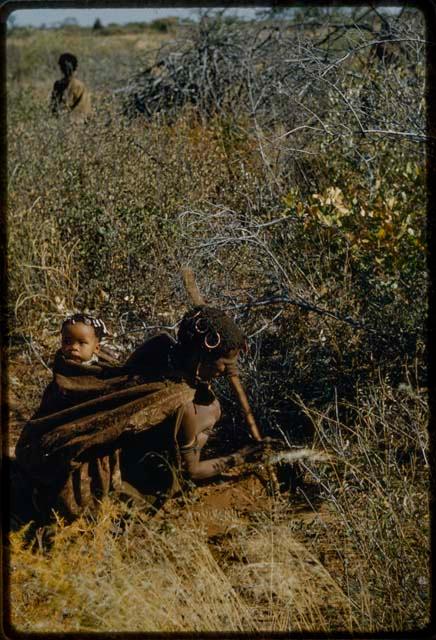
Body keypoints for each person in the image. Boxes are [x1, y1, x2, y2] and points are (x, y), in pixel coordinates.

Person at [14, 307, 268, 524]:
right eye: (224, 362)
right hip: (125, 478)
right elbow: (192, 472)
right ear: (202, 357)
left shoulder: (159, 345)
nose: (228, 370)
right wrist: (241, 457)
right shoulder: (187, 406)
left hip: (122, 447)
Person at [50, 53, 91, 119]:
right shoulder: (58, 84)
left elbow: (84, 109)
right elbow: (54, 106)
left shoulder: (79, 86)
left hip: (75, 122)